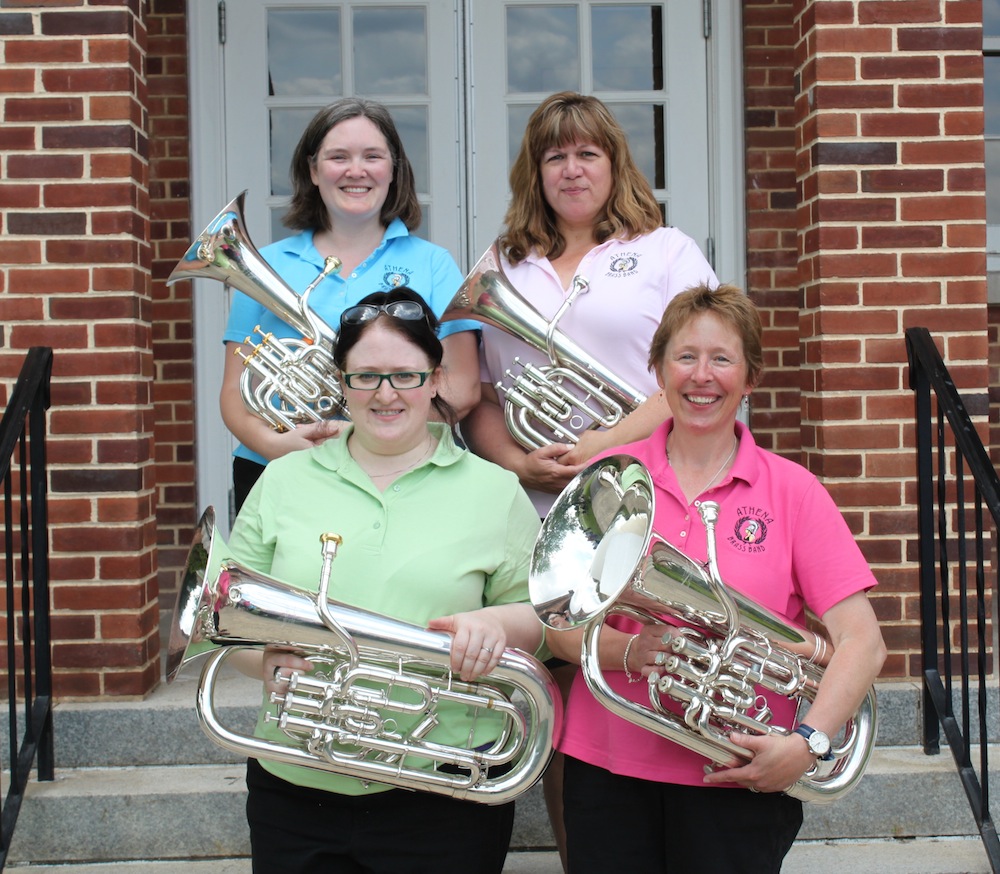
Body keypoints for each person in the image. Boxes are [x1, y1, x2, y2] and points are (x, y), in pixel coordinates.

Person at [545, 284, 887, 873]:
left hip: (737, 772)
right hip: (607, 768)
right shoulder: (612, 479)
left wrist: (807, 745)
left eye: (722, 359)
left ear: (750, 378)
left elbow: (863, 641)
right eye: (685, 357)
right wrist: (628, 651)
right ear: (658, 370)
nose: (702, 376)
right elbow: (555, 621)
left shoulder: (794, 492)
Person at [460, 90, 718, 867]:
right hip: (534, 507)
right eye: (554, 156)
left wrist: (605, 440)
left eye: (587, 153)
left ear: (615, 163)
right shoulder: (499, 264)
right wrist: (514, 459)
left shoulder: (666, 249)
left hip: (644, 499)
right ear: (534, 172)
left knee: (652, 674)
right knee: (559, 702)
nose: (571, 169)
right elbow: (478, 397)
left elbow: (693, 371)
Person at [226, 287, 544, 874]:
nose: (385, 394)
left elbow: (541, 619)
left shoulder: (495, 491)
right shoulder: (283, 479)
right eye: (365, 376)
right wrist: (261, 658)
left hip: (444, 785)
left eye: (404, 375)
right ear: (341, 381)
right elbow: (229, 618)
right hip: (296, 778)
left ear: (437, 379)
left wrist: (496, 623)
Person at [221, 98, 480, 511]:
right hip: (281, 466)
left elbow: (462, 387)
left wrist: (369, 441)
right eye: (338, 157)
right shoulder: (265, 266)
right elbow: (235, 394)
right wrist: (276, 445)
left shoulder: (434, 265)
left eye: (372, 157)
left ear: (393, 169)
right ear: (313, 170)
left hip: (401, 471)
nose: (355, 171)